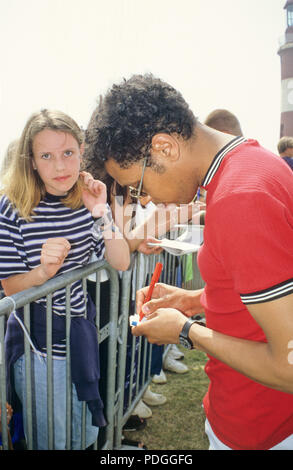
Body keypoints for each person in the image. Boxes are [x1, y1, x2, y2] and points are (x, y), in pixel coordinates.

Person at [84, 73, 293, 450]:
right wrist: (193, 300)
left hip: (260, 427)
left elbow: (289, 366)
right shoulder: (250, 165)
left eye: (138, 186)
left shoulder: (240, 198)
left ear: (164, 147)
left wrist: (186, 331)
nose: (144, 200)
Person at [0, 109, 130, 450]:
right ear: (31, 161)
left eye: (68, 153)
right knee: (53, 439)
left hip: (80, 337)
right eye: (47, 156)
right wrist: (43, 273)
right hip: (37, 348)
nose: (60, 167)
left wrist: (102, 211)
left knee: (81, 432)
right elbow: (11, 288)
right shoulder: (11, 208)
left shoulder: (84, 201)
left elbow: (121, 261)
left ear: (82, 151)